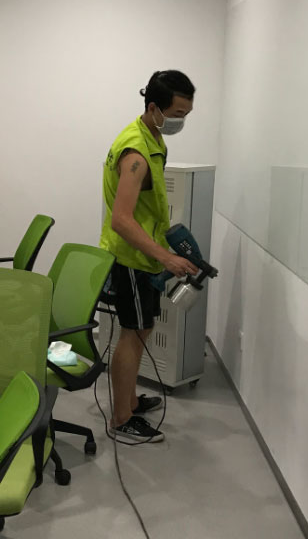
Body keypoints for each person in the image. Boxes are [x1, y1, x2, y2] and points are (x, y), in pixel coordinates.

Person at [100, 70, 199, 442]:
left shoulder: (152, 137)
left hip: (143, 255)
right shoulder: (137, 153)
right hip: (131, 258)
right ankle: (121, 419)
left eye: (187, 114)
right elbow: (122, 220)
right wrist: (167, 258)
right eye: (177, 114)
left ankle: (130, 402)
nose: (181, 121)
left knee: (142, 329)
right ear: (154, 107)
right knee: (132, 333)